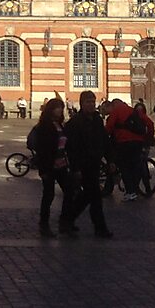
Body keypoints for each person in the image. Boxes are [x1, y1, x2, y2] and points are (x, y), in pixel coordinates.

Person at [62, 91, 113, 238]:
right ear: (81, 104)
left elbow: (105, 142)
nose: (91, 104)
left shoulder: (97, 120)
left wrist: (110, 160)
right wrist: (75, 168)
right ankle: (100, 228)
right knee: (94, 196)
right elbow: (71, 148)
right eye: (88, 102)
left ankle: (67, 220)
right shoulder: (75, 123)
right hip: (82, 165)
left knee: (88, 195)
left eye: (93, 101)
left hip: (94, 164)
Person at [29, 98, 74, 237]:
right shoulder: (44, 126)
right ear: (50, 110)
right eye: (56, 107)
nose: (59, 110)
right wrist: (43, 170)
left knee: (70, 192)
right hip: (49, 166)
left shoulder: (60, 125)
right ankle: (44, 225)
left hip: (61, 165)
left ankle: (64, 222)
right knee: (48, 196)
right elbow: (42, 150)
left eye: (61, 107)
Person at [106, 98, 155, 203]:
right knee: (135, 165)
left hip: (124, 142)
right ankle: (136, 189)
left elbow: (109, 127)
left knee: (124, 166)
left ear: (114, 105)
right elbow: (150, 123)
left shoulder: (116, 111)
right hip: (138, 143)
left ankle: (130, 192)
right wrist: (148, 137)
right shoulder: (133, 111)